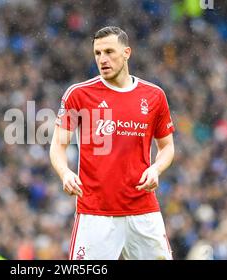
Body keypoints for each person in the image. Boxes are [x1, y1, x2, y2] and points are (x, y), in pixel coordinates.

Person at [50, 26, 175, 260]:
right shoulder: (79, 95)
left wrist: (156, 169)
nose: (102, 59)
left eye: (109, 52)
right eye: (97, 53)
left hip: (143, 212)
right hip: (95, 214)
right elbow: (58, 145)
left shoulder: (154, 96)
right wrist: (65, 173)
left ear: (127, 52)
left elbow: (167, 147)